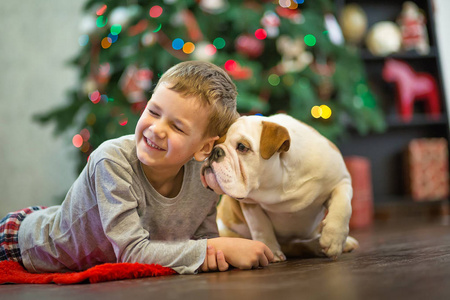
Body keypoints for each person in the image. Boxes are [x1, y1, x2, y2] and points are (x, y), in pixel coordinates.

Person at [0, 61, 274, 274]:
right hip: (23, 244)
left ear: (204, 148)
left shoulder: (203, 175)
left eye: (177, 126)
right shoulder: (112, 160)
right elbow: (131, 254)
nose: (156, 129)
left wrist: (213, 252)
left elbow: (202, 240)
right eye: (153, 112)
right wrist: (214, 248)